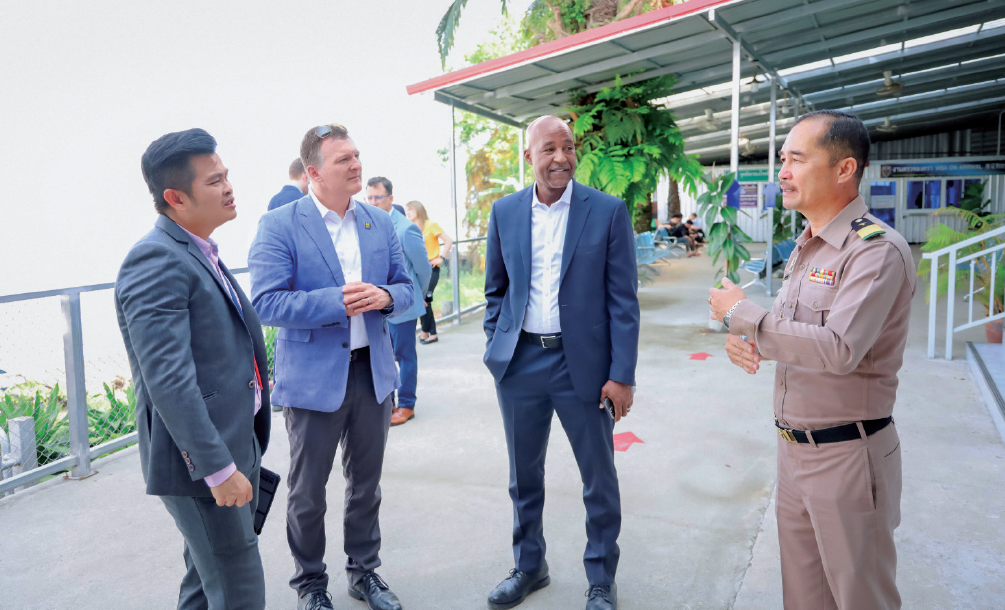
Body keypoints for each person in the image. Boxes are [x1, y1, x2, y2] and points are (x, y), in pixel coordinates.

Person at [709, 109, 915, 610]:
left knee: (859, 597)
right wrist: (747, 338)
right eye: (783, 159)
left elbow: (840, 347)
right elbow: (797, 333)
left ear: (844, 169)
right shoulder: (808, 247)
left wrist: (743, 312)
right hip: (793, 451)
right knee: (803, 597)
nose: (781, 171)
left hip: (848, 454)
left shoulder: (875, 251)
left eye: (796, 159)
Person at [248, 123, 413, 610]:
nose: (357, 164)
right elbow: (266, 303)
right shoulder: (279, 224)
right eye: (344, 159)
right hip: (314, 382)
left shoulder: (379, 222)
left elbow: (407, 290)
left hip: (373, 374)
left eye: (357, 155)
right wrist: (334, 302)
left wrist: (383, 296)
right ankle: (311, 585)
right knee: (307, 491)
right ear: (315, 172)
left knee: (366, 485)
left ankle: (365, 574)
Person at [482, 115, 640, 610]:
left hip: (585, 369)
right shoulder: (505, 211)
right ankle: (530, 567)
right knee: (523, 477)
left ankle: (600, 579)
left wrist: (621, 375)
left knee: (598, 476)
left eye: (567, 147)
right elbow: (496, 290)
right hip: (521, 363)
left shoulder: (607, 211)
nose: (560, 158)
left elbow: (623, 302)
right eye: (548, 149)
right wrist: (498, 343)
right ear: (528, 157)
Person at [115, 128, 271, 610]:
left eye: (226, 175)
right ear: (175, 198)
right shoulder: (155, 260)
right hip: (204, 466)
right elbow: (168, 380)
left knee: (206, 584)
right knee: (239, 590)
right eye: (215, 180)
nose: (228, 186)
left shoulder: (197, 248)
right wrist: (219, 470)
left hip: (230, 443)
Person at [365, 176, 432, 426]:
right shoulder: (369, 224)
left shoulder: (406, 228)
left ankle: (406, 405)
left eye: (377, 197)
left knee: (404, 356)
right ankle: (389, 403)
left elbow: (423, 269)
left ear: (390, 199)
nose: (372, 202)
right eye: (369, 197)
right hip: (379, 307)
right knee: (384, 357)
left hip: (402, 307)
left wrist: (421, 296)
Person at [404, 200, 452, 344]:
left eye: (410, 210)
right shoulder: (411, 228)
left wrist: (441, 258)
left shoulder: (431, 225)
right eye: (406, 211)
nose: (407, 213)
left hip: (432, 268)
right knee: (423, 300)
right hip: (418, 269)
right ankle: (429, 333)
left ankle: (427, 332)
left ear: (418, 210)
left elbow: (448, 240)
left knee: (425, 299)